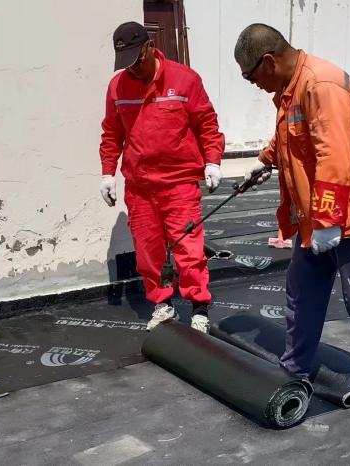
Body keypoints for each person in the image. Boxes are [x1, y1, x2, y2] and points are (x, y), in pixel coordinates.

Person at [234, 24, 350, 412]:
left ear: (268, 62)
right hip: (317, 218)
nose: (253, 84)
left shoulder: (322, 85)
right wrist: (264, 161)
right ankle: (294, 367)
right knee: (302, 292)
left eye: (251, 76)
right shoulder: (292, 88)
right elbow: (292, 135)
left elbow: (335, 156)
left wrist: (330, 221)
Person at [99, 22, 225, 333]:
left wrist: (212, 161)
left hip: (178, 183)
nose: (133, 68)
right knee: (148, 251)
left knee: (188, 249)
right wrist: (107, 173)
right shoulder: (117, 87)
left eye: (137, 59)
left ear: (149, 47)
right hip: (140, 187)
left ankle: (199, 308)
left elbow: (207, 123)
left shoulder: (184, 80)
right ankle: (163, 304)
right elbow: (112, 133)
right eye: (126, 63)